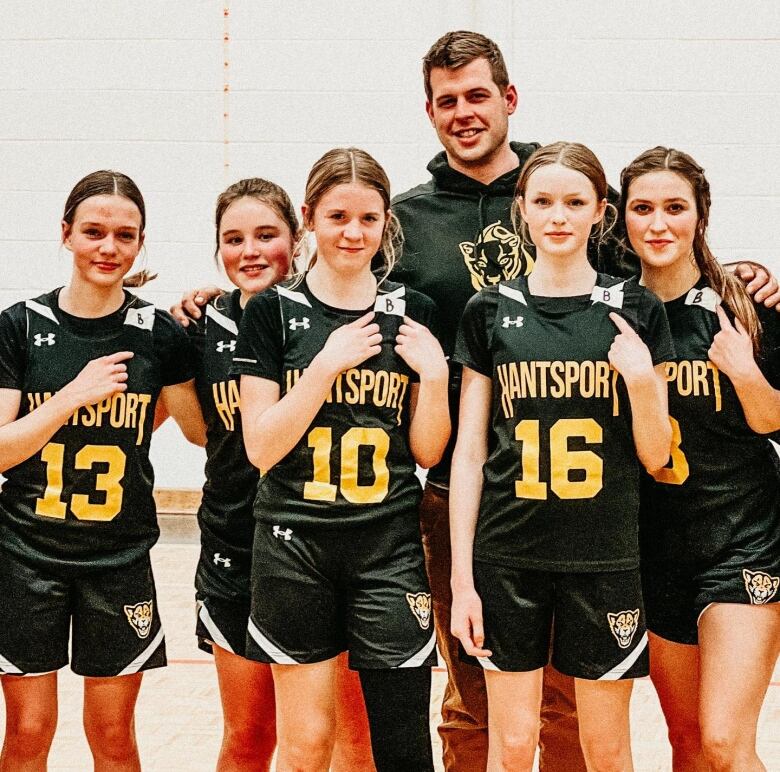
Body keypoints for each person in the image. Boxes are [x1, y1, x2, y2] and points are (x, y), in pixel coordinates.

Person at [388, 30, 780, 772]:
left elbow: (668, 242)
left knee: (610, 725)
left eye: (478, 95)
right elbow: (337, 282)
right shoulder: (410, 221)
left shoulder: (619, 273)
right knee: (477, 709)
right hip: (483, 507)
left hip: (614, 522)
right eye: (447, 101)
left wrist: (744, 276)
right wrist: (222, 302)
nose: (463, 112)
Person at [450, 142, 674, 771]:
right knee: (512, 744)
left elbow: (658, 456)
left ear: (600, 212)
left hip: (603, 557)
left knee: (604, 749)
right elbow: (469, 454)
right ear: (521, 208)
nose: (558, 216)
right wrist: (464, 578)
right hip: (508, 556)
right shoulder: (488, 310)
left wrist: (639, 382)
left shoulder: (636, 310)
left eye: (575, 202)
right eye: (543, 201)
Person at [231, 147, 450, 772]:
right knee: (306, 745)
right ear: (309, 219)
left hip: (387, 545)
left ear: (386, 224)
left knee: (404, 746)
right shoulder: (272, 312)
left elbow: (428, 451)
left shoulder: (413, 314)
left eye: (369, 219)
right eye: (337, 217)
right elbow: (261, 446)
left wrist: (433, 380)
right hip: (295, 545)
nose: (353, 233)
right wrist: (324, 366)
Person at [0, 170, 203, 771]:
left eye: (125, 235)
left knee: (113, 737)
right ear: (65, 234)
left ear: (141, 243)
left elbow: (195, 431)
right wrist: (70, 398)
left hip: (117, 558)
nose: (108, 247)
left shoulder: (156, 334)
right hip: (26, 553)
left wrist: (206, 334)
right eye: (93, 231)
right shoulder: (19, 326)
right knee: (29, 731)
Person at [179, 176, 374, 771]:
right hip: (236, 543)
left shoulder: (328, 316)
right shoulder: (198, 327)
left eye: (267, 235)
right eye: (233, 239)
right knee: (249, 737)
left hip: (323, 541)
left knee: (349, 738)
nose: (251, 251)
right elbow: (196, 430)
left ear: (299, 235)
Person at [621, 147, 780, 772]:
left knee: (724, 742)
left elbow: (773, 419)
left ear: (700, 216)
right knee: (685, 746)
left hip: (743, 540)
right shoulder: (613, 312)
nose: (659, 224)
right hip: (653, 548)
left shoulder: (745, 306)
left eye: (674, 208)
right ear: (623, 220)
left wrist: (744, 373)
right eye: (643, 209)